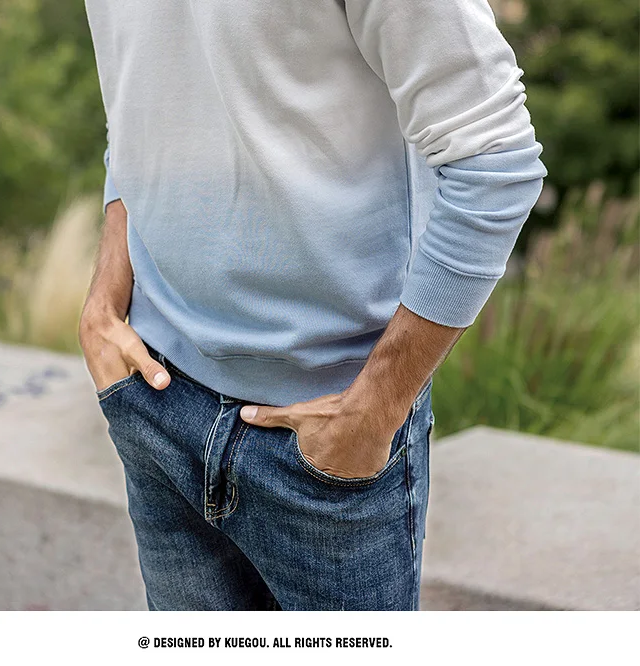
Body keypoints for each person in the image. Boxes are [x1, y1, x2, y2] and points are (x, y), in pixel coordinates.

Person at [79, 0, 547, 611]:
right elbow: (140, 103)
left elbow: (498, 162)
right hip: (154, 400)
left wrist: (372, 411)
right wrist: (104, 298)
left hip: (325, 441)